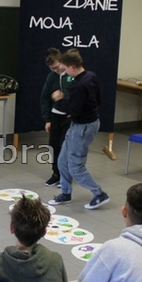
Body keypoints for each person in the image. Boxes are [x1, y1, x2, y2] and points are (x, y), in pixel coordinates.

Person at [47, 49, 110, 210]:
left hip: (83, 127)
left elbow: (72, 110)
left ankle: (99, 193)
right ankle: (65, 193)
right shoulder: (91, 76)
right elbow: (98, 100)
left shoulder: (79, 86)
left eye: (65, 68)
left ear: (72, 67)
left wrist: (59, 99)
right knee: (62, 160)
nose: (64, 72)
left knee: (76, 166)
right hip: (81, 124)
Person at [40, 48, 72, 188]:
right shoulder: (51, 77)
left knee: (65, 146)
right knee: (54, 145)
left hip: (69, 117)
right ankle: (56, 174)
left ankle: (65, 176)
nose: (55, 70)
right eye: (52, 68)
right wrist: (47, 119)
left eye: (57, 67)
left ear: (62, 61)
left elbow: (77, 94)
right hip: (55, 116)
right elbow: (44, 98)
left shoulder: (71, 75)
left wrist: (63, 96)